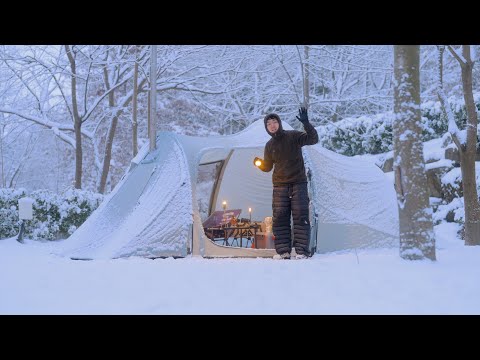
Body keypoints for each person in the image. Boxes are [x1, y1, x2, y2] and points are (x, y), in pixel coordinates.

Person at [254, 107, 319, 259]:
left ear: (279, 123)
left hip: (298, 183)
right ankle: (284, 252)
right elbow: (268, 167)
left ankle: (301, 251)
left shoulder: (293, 136)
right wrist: (259, 163)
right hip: (280, 186)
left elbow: (313, 139)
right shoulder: (269, 145)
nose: (272, 125)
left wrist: (306, 123)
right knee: (280, 218)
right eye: (269, 124)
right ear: (266, 128)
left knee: (300, 216)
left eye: (274, 122)